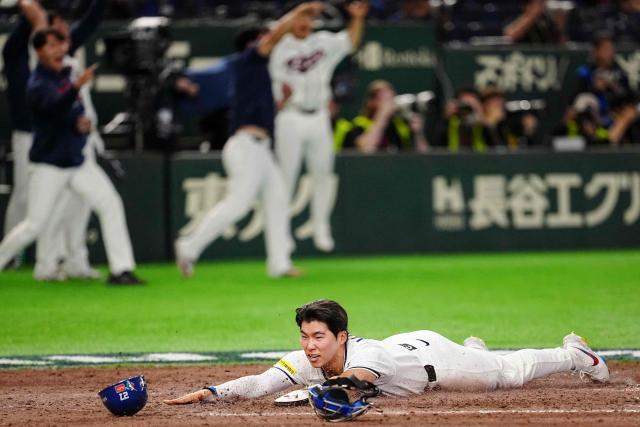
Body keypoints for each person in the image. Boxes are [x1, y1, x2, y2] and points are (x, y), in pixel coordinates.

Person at [164, 299, 609, 412]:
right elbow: (262, 384)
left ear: (341, 336)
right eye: (304, 336)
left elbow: (357, 381)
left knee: (508, 375)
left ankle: (575, 354)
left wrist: (314, 392)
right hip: (412, 345)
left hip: (436, 363)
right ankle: (475, 350)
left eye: (318, 336)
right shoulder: (310, 359)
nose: (309, 345)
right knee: (490, 365)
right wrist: (210, 393)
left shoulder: (367, 354)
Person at [173, 3, 327, 279]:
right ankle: (189, 245)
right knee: (239, 204)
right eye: (260, 38)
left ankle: (279, 263)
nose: (267, 41)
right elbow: (274, 35)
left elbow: (261, 113)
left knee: (278, 200)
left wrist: (281, 102)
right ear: (251, 43)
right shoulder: (248, 61)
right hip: (245, 146)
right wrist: (300, 11)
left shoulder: (257, 74)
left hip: (260, 148)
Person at [0, 28, 142, 285]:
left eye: (60, 45)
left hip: (76, 161)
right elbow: (52, 105)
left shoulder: (66, 76)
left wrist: (81, 123)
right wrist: (76, 88)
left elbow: (70, 113)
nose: (58, 50)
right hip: (49, 164)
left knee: (110, 203)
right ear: (39, 51)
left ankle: (122, 269)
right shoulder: (37, 84)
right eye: (51, 45)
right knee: (34, 225)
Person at [2, 0, 108, 281]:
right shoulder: (19, 59)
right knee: (28, 203)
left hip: (64, 141)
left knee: (69, 203)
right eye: (51, 33)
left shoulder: (59, 62)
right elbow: (30, 28)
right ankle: (15, 257)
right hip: (32, 139)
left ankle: (62, 260)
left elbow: (87, 25)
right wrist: (32, 16)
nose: (59, 43)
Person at [269, 0, 368, 253]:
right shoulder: (278, 44)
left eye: (308, 18)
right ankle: (282, 238)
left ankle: (321, 227)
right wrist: (299, 10)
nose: (304, 23)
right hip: (289, 116)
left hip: (319, 116)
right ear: (289, 20)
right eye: (299, 18)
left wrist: (356, 18)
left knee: (322, 175)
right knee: (286, 180)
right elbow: (274, 33)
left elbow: (349, 42)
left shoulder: (322, 41)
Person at [341, 80, 429, 154]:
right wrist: (382, 115)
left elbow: (424, 155)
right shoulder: (359, 125)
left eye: (392, 99)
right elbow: (366, 150)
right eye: (385, 100)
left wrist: (418, 133)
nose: (390, 105)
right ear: (371, 102)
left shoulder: (399, 126)